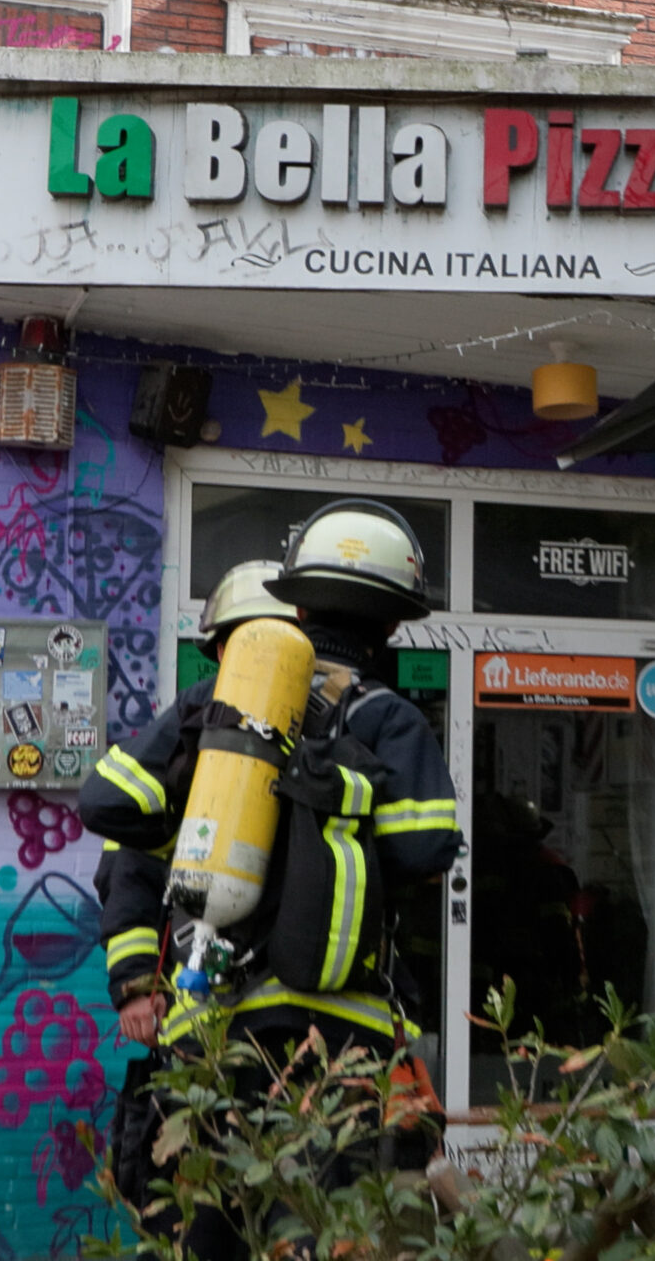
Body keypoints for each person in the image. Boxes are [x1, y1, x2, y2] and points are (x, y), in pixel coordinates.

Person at [77, 501, 461, 1253]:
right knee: (326, 1229)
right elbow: (423, 852)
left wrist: (202, 799)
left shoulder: (211, 711)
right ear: (393, 625)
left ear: (297, 606)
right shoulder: (389, 719)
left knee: (211, 1223)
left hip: (210, 1029)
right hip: (340, 1037)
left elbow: (107, 805)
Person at [86, 558, 297, 1210]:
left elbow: (122, 849)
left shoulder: (216, 728)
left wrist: (138, 991)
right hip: (254, 1003)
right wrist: (135, 985)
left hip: (242, 1003)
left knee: (211, 1195)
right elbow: (130, 864)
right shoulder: (197, 730)